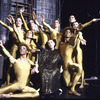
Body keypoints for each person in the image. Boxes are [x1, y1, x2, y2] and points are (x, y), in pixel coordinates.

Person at [0, 15, 25, 85]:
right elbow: (5, 25)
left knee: (19, 65)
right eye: (17, 21)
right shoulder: (13, 29)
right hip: (14, 48)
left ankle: (17, 81)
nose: (18, 22)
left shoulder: (24, 32)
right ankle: (7, 82)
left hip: (21, 49)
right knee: (11, 65)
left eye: (20, 21)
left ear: (22, 23)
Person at [60, 27, 82, 96]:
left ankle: (72, 89)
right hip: (64, 66)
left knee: (79, 68)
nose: (67, 33)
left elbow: (75, 38)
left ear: (71, 34)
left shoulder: (71, 43)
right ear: (64, 34)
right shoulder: (61, 44)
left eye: (69, 32)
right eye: (66, 32)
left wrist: (78, 31)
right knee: (67, 84)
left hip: (70, 63)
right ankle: (78, 83)